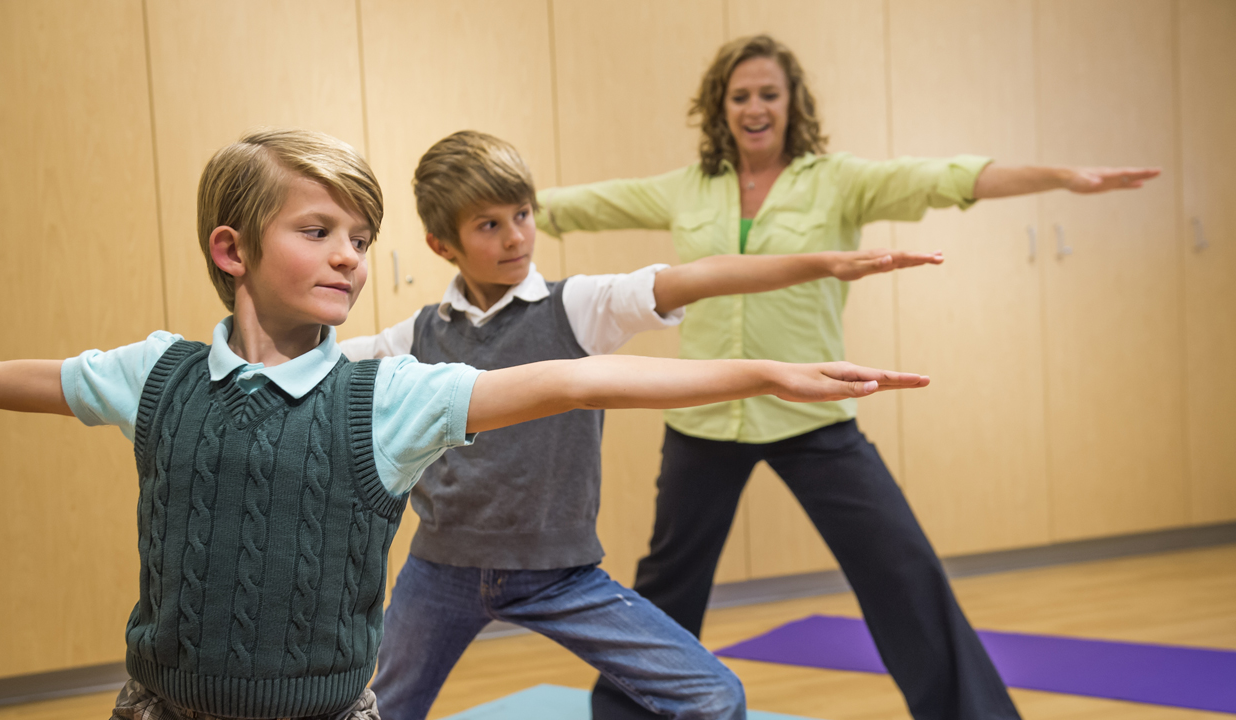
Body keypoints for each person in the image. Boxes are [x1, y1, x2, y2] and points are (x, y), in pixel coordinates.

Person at [0, 128, 929, 720]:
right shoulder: (186, 372)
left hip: (540, 578)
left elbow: (586, 375)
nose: (348, 257)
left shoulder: (422, 379)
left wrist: (774, 354)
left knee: (711, 694)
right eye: (318, 233)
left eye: (360, 240)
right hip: (403, 591)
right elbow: (17, 379)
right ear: (233, 251)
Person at [535, 35, 1160, 720]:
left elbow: (944, 178)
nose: (754, 107)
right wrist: (487, 207)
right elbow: (577, 205)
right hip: (706, 418)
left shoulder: (837, 181)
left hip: (814, 416)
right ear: (720, 107)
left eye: (768, 93)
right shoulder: (689, 188)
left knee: (903, 570)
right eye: (740, 96)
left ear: (792, 102)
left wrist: (1061, 177)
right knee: (667, 586)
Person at [340, 130, 940, 720]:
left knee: (714, 695)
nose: (516, 236)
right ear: (442, 244)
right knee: (375, 711)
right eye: (489, 225)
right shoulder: (415, 337)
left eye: (522, 214)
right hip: (440, 570)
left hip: (559, 574)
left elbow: (697, 277)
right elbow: (323, 367)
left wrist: (827, 263)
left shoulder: (576, 307)